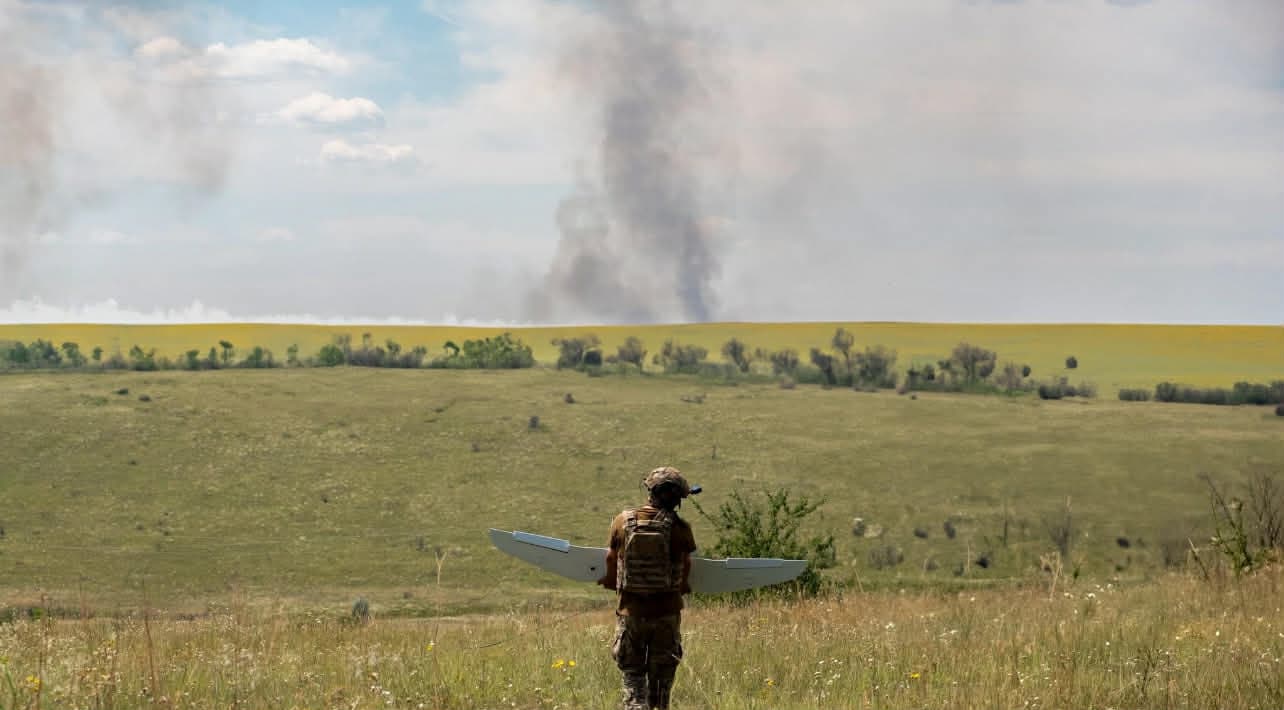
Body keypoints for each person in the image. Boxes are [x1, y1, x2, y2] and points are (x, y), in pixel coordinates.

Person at [597, 466, 698, 710]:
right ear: (677, 498)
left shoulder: (623, 521)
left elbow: (611, 559)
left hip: (631, 613)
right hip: (666, 614)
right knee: (662, 684)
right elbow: (685, 566)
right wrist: (682, 588)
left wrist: (613, 584)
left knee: (632, 676)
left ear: (650, 491)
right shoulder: (680, 528)